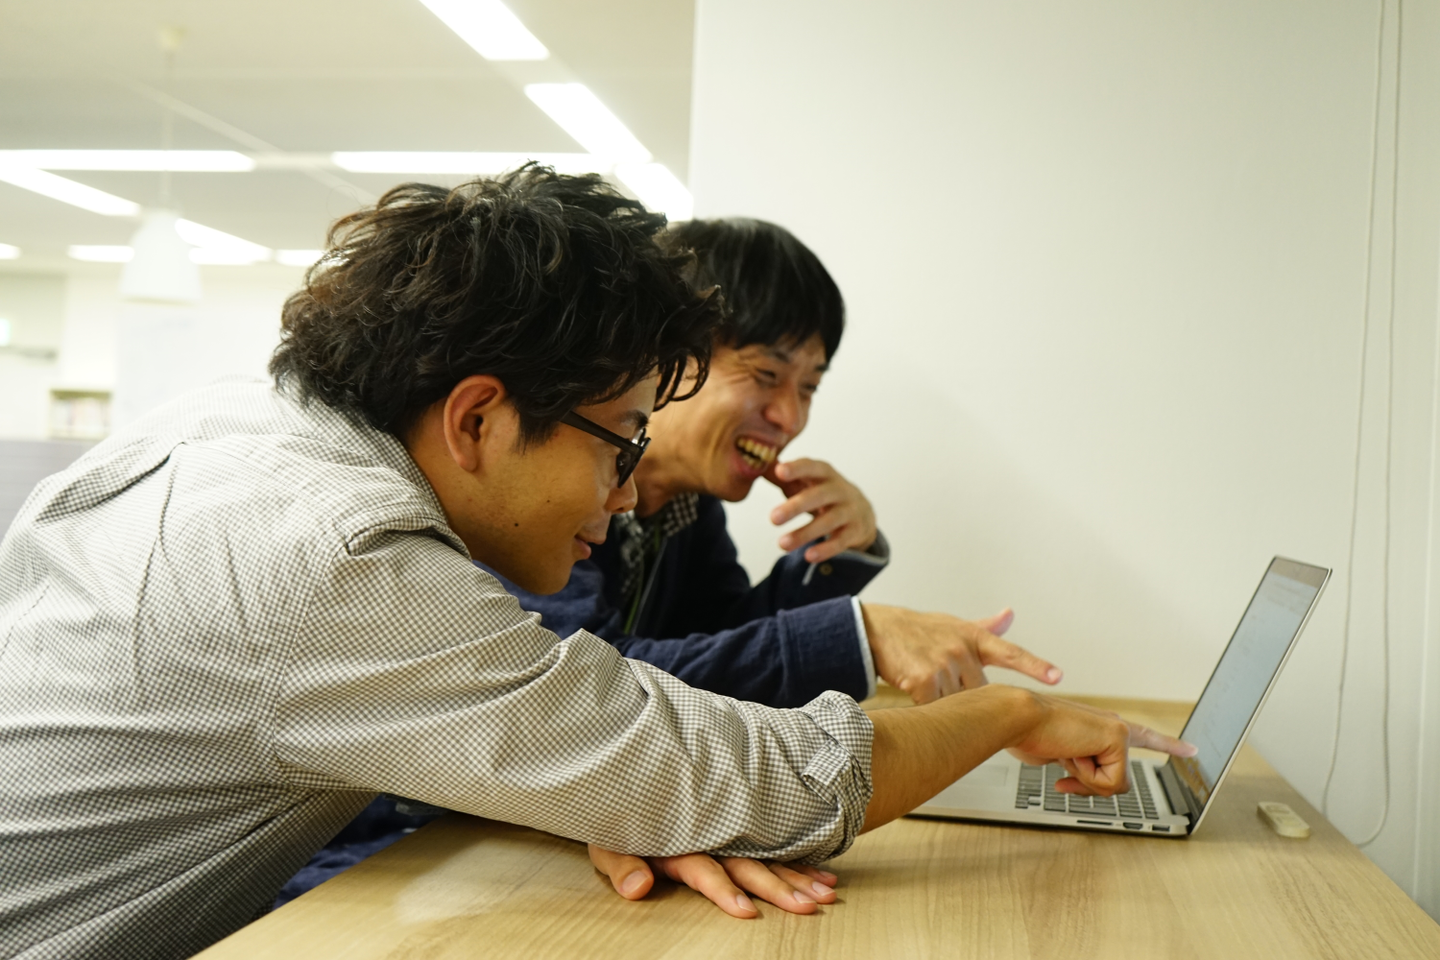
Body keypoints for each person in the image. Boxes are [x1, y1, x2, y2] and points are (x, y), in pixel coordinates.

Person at [0, 167, 1191, 960]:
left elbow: (640, 729)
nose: (627, 494)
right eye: (619, 440)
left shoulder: (232, 426)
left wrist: (615, 780)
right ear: (478, 419)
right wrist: (1001, 715)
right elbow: (748, 772)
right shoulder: (340, 555)